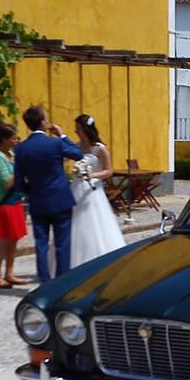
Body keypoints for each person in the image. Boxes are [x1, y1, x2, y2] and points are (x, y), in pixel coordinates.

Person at [14, 105, 83, 283]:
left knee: (41, 243)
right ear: (43, 121)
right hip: (60, 198)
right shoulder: (55, 143)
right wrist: (63, 135)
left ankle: (44, 279)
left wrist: (32, 192)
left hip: (37, 200)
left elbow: (19, 182)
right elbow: (78, 154)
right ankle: (62, 281)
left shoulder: (21, 149)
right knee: (62, 242)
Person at [70, 114, 127, 267]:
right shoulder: (76, 146)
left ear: (87, 130)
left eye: (79, 129)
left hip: (93, 190)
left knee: (94, 222)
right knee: (76, 223)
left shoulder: (100, 149)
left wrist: (91, 175)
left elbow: (109, 171)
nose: (76, 132)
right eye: (76, 130)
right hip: (77, 188)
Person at [0, 124, 27, 289]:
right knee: (3, 240)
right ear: (4, 140)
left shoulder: (11, 155)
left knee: (14, 239)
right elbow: (6, 182)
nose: (16, 140)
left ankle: (9, 273)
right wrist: (21, 167)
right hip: (3, 204)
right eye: (13, 138)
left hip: (15, 202)